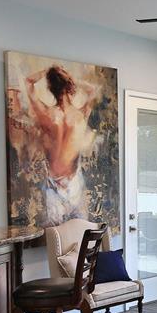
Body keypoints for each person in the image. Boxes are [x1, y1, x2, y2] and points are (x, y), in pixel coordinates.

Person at [26, 65, 98, 223]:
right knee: (81, 239)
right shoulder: (80, 115)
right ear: (69, 85)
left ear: (50, 87)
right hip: (74, 182)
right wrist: (70, 78)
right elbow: (93, 90)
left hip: (56, 184)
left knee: (55, 240)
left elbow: (29, 82)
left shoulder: (47, 115)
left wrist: (47, 72)